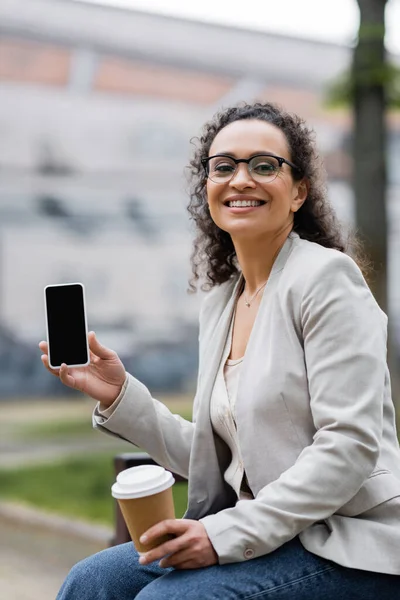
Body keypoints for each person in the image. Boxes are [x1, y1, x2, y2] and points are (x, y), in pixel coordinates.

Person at [39, 102, 400, 600]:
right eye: (224, 166)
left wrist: (221, 535)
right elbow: (226, 457)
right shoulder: (222, 301)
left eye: (264, 165)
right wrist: (122, 396)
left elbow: (349, 447)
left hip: (346, 542)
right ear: (207, 186)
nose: (241, 179)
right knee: (91, 582)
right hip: (269, 534)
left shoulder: (327, 280)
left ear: (299, 191)